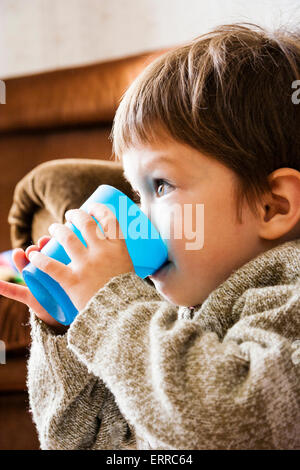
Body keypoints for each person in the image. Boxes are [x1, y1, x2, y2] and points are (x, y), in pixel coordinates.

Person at [1, 23, 300, 450]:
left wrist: (113, 304)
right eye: (136, 193)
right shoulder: (166, 316)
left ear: (273, 207)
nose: (137, 218)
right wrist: (71, 331)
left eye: (160, 185)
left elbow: (236, 422)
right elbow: (81, 444)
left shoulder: (288, 295)